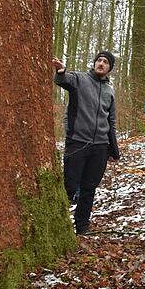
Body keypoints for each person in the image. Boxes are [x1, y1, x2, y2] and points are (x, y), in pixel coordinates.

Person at [52, 51, 120, 235]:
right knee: (70, 186)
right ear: (94, 63)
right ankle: (59, 227)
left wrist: (113, 149)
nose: (101, 64)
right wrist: (60, 71)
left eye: (105, 62)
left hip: (100, 147)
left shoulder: (109, 91)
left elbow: (111, 121)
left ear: (109, 68)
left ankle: (82, 227)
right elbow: (63, 80)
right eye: (99, 60)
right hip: (77, 143)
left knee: (89, 189)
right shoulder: (80, 79)